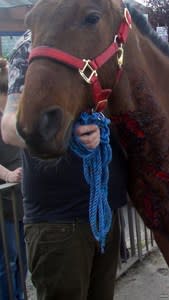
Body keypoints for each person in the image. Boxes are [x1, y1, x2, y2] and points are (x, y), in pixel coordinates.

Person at [2, 30, 129, 300]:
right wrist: (67, 132)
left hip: (104, 215)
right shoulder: (30, 45)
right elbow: (9, 127)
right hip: (58, 221)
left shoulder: (99, 39)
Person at [0, 57, 27, 300]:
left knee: (22, 259)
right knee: (8, 261)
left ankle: (20, 295)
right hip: (4, 205)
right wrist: (7, 174)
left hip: (20, 202)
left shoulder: (16, 115)